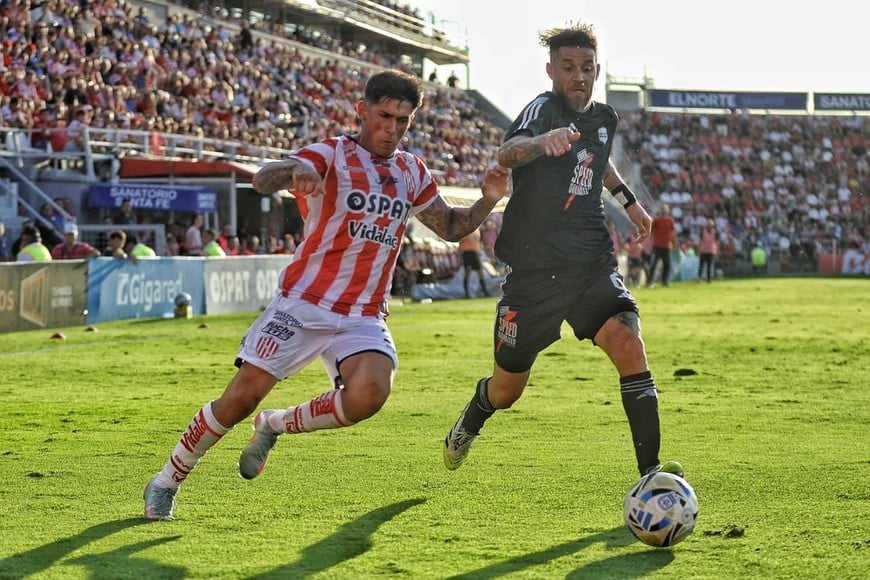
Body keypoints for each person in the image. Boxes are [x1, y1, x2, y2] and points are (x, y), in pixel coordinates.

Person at [143, 69, 510, 520]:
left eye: (402, 120)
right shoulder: (331, 154)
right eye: (384, 116)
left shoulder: (411, 171)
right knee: (239, 399)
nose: (391, 128)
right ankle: (166, 481)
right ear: (361, 111)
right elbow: (263, 178)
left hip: (362, 314)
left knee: (369, 394)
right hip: (303, 303)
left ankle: (275, 424)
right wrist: (294, 172)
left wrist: (489, 199)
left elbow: (451, 228)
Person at [442, 24, 683, 483]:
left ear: (597, 70)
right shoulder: (542, 109)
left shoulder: (605, 117)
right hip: (534, 272)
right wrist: (540, 143)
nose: (579, 76)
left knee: (629, 345)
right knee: (507, 389)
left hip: (591, 262)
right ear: (551, 69)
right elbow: (508, 151)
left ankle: (651, 476)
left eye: (587, 68)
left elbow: (601, 156)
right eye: (569, 68)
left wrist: (632, 204)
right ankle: (474, 414)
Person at [646, 204, 677, 287]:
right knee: (654, 264)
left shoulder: (670, 221)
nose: (664, 210)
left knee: (667, 265)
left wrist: (675, 244)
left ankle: (665, 281)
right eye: (663, 209)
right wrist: (649, 244)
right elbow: (651, 231)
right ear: (661, 210)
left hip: (667, 246)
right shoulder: (656, 220)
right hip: (657, 246)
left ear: (668, 210)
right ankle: (649, 282)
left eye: (665, 209)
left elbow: (673, 234)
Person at [458, 228, 490, 298]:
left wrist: (479, 253)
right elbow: (461, 243)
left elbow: (478, 242)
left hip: (475, 253)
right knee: (467, 273)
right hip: (467, 253)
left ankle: (484, 290)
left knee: (480, 272)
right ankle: (466, 293)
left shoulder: (477, 230)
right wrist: (460, 256)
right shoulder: (466, 230)